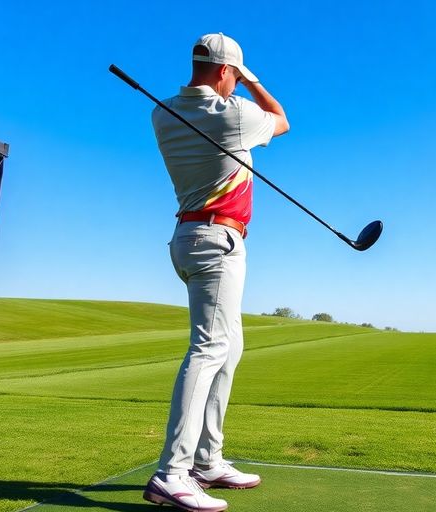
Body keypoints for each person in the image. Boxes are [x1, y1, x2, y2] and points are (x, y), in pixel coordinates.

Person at [143, 33, 290, 512]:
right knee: (209, 349)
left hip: (190, 239)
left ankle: (208, 460)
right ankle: (172, 472)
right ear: (227, 71)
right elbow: (283, 121)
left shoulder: (162, 112)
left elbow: (207, 101)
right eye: (235, 75)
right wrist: (253, 80)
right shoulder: (234, 114)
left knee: (230, 348)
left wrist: (230, 81)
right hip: (217, 242)